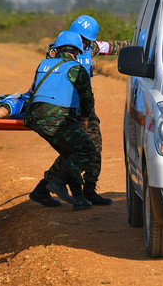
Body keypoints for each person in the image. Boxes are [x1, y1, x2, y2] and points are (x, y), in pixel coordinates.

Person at [36, 15, 130, 207]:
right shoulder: (57, 52)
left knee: (95, 148)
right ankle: (46, 188)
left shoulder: (91, 47)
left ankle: (89, 190)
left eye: (87, 40)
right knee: (74, 152)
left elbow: (114, 46)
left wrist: (141, 41)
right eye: (81, 38)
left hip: (85, 107)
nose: (84, 43)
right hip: (66, 108)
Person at [25, 30, 97, 211]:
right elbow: (87, 99)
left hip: (34, 118)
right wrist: (86, 118)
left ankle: (69, 197)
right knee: (87, 150)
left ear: (56, 49)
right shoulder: (77, 69)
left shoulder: (43, 64)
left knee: (70, 153)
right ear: (77, 51)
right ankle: (57, 183)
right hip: (57, 119)